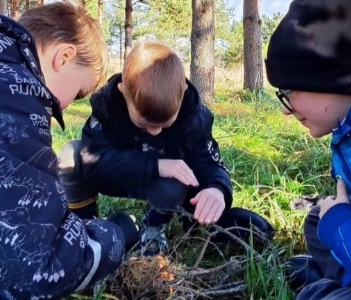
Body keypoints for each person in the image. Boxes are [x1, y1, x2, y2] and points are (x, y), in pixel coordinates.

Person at [59, 40, 275, 256]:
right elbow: (92, 160)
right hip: (117, 176)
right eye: (144, 124)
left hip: (161, 187)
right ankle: (83, 223)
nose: (154, 132)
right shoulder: (107, 106)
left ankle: (154, 226)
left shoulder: (194, 116)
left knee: (178, 178)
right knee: (71, 154)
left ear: (182, 92)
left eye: (165, 124)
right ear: (123, 92)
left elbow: (209, 163)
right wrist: (156, 165)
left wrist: (217, 189)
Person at [0, 2, 140, 298]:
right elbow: (36, 268)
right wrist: (114, 235)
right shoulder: (16, 92)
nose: (62, 107)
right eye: (77, 93)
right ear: (64, 57)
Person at [265, 0, 351, 299]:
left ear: (331, 78)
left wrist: (345, 227)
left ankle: (335, 287)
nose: (286, 111)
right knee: (319, 220)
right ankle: (350, 279)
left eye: (288, 91)